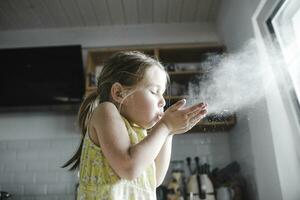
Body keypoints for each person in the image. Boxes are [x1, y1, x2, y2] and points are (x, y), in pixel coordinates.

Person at [62, 51, 208, 200]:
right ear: (119, 93)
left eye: (162, 93)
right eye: (154, 91)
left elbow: (155, 180)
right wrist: (165, 126)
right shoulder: (105, 111)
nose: (163, 102)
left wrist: (169, 133)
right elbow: (130, 168)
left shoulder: (139, 133)